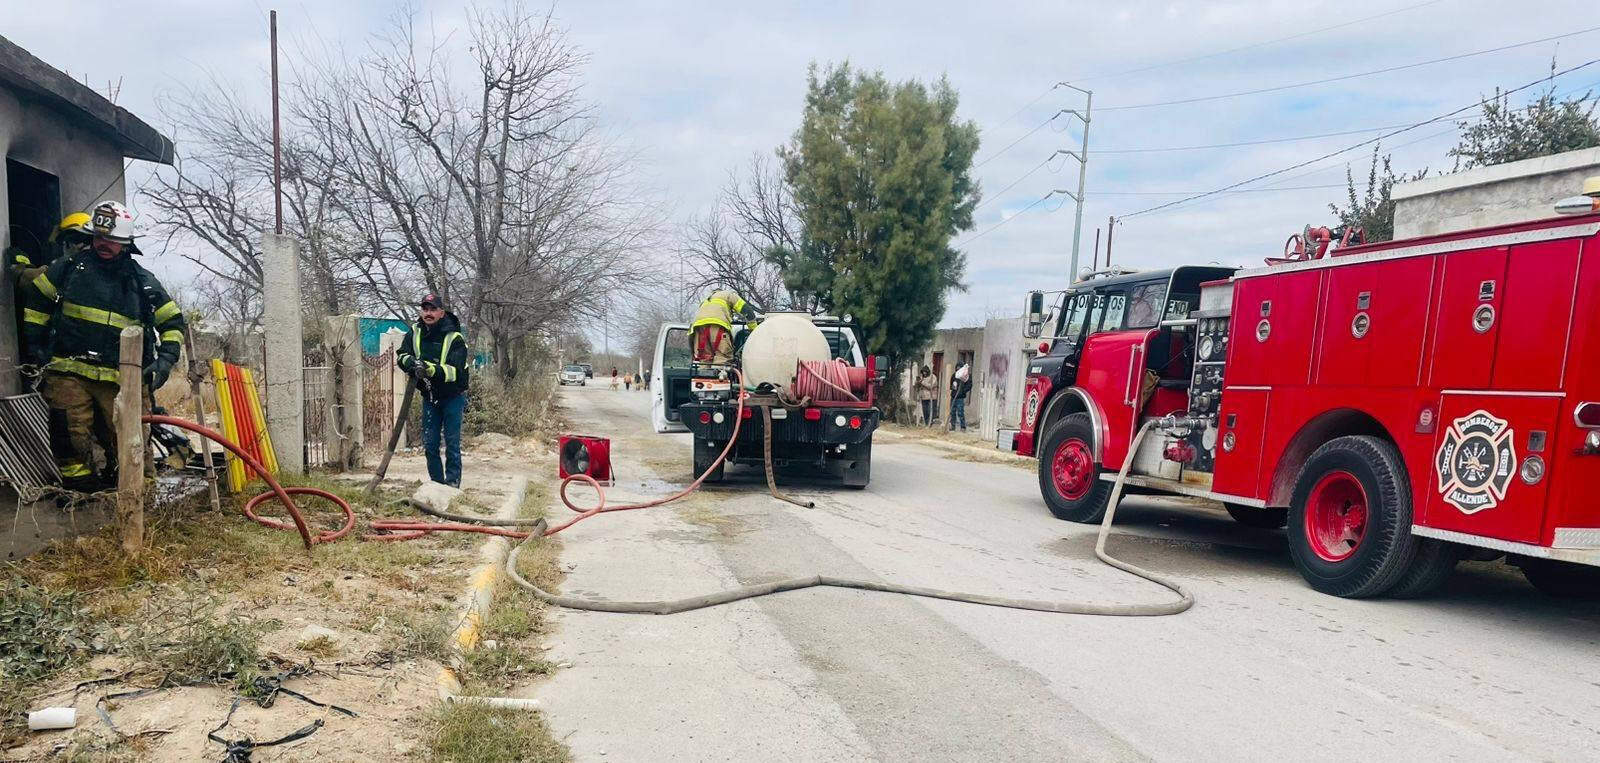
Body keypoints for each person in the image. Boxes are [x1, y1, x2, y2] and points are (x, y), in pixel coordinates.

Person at [21, 201, 186, 489]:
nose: (103, 244)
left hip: (123, 381)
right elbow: (37, 300)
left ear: (125, 243)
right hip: (68, 372)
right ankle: (80, 496)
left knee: (130, 444)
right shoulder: (68, 269)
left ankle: (136, 500)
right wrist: (35, 346)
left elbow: (172, 322)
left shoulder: (142, 282)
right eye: (98, 237)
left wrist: (165, 360)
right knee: (69, 437)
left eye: (111, 240)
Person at [396, 293, 469, 488]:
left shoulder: (455, 337)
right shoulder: (415, 332)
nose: (428, 313)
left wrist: (430, 369)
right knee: (430, 445)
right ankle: (437, 485)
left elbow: (455, 372)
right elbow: (401, 355)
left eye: (433, 309)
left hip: (453, 397)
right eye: (425, 309)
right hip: (429, 397)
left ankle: (452, 485)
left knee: (452, 444)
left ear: (441, 312)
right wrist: (411, 363)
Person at [691, 288, 755, 365]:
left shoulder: (706, 301)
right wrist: (754, 330)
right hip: (717, 326)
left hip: (698, 328)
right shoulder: (729, 295)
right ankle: (719, 375)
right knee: (723, 357)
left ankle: (703, 375)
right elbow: (747, 311)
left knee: (704, 359)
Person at [948, 362, 971, 432]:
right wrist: (953, 390)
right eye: (957, 367)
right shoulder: (954, 376)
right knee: (952, 412)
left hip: (960, 397)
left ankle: (963, 427)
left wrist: (963, 391)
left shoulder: (965, 376)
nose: (958, 369)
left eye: (959, 368)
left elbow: (969, 385)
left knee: (960, 412)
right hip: (954, 396)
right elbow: (951, 384)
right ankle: (952, 425)